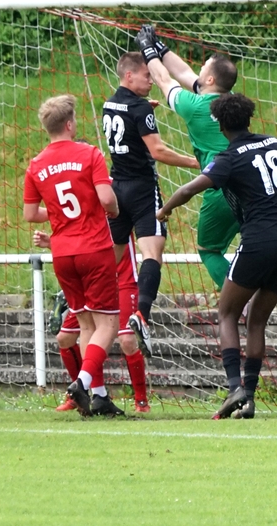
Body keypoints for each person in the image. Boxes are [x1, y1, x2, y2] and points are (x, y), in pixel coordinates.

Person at [156, 93, 277, 419]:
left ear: (220, 125)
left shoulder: (228, 158)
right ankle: (250, 397)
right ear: (248, 119)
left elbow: (189, 189)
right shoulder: (275, 145)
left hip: (260, 240)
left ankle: (235, 388)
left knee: (227, 312)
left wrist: (164, 211)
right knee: (257, 318)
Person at [24, 94, 123, 417]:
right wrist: (113, 209)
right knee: (108, 324)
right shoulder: (89, 154)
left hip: (63, 253)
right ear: (69, 124)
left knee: (85, 324)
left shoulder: (36, 165)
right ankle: (82, 382)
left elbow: (30, 214)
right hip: (94, 248)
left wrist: (56, 214)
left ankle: (99, 395)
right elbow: (106, 198)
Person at [102, 52, 198, 358]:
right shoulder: (140, 108)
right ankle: (142, 316)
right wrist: (196, 162)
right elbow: (158, 151)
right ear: (129, 76)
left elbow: (127, 123)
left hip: (117, 188)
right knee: (152, 254)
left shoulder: (110, 104)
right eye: (147, 76)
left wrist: (144, 112)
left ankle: (75, 298)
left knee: (111, 256)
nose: (151, 81)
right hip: (143, 190)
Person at [137, 25, 241, 290]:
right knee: (252, 242)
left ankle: (241, 300)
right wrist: (161, 48)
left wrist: (147, 50)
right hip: (249, 182)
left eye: (204, 67)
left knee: (209, 249)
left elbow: (164, 80)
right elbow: (184, 73)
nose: (199, 68)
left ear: (210, 80)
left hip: (220, 188)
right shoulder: (231, 101)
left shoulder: (194, 106)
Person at [35, 231, 149, 414]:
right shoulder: (84, 218)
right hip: (93, 282)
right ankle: (80, 394)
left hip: (123, 281)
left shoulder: (116, 214)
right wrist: (53, 243)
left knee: (127, 340)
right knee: (64, 337)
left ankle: (141, 402)